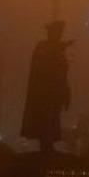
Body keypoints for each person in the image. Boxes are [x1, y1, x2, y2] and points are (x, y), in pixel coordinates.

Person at [21, 20, 72, 153]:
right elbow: (43, 67)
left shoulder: (59, 51)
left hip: (55, 91)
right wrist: (57, 49)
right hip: (44, 92)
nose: (59, 35)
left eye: (60, 32)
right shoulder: (42, 47)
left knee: (53, 117)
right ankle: (45, 143)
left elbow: (62, 72)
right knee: (45, 117)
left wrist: (65, 90)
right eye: (57, 32)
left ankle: (48, 143)